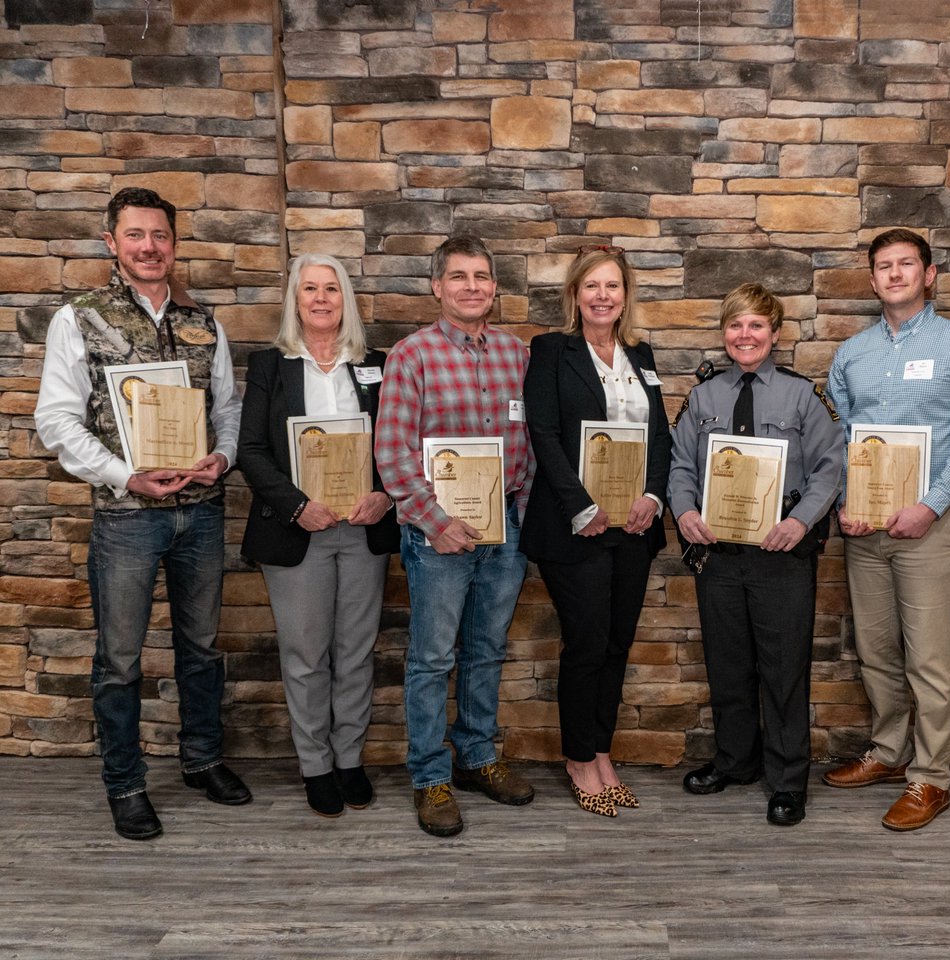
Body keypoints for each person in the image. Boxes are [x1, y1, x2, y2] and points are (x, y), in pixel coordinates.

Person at [34, 187, 250, 841]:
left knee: (202, 650)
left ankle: (202, 759)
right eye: (135, 236)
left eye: (159, 235)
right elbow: (56, 419)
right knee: (120, 659)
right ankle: (125, 785)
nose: (149, 247)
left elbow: (228, 409)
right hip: (127, 516)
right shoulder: (79, 318)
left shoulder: (201, 323)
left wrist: (222, 456)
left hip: (202, 511)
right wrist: (124, 475)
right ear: (112, 243)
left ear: (173, 244)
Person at [824, 228, 950, 832]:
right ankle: (889, 752)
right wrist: (843, 502)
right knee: (875, 651)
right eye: (884, 267)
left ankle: (931, 777)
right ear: (872, 280)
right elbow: (840, 443)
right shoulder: (851, 354)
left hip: (930, 526)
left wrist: (929, 505)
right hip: (864, 527)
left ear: (929, 274)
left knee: (928, 656)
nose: (895, 275)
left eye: (906, 264)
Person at [375, 235, 535, 837]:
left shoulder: (517, 355)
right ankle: (429, 776)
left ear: (495, 288)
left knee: (487, 650)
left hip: (506, 531)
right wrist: (435, 523)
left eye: (483, 276)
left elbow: (532, 444)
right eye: (459, 276)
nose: (473, 286)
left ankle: (477, 758)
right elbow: (391, 452)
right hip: (435, 537)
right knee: (432, 657)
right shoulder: (411, 356)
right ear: (437, 286)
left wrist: (522, 512)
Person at [668, 283, 843, 827]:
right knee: (728, 664)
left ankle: (788, 780)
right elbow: (681, 467)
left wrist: (799, 521)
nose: (745, 335)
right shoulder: (704, 397)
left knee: (783, 668)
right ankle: (735, 762)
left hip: (780, 553)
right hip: (717, 552)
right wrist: (684, 511)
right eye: (735, 325)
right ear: (725, 333)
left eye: (756, 326)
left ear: (775, 333)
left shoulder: (799, 396)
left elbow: (830, 467)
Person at [238, 254, 399, 818]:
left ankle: (349, 758)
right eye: (311, 289)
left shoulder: (375, 365)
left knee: (355, 653)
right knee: (306, 655)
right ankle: (315, 765)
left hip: (362, 529)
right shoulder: (270, 366)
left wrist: (386, 493)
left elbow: (397, 442)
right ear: (296, 299)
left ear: (346, 299)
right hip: (298, 532)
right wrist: (296, 505)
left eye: (332, 288)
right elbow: (250, 452)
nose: (322, 298)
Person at [521, 246, 672, 817]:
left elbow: (660, 433)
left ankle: (602, 750)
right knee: (585, 644)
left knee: (616, 644)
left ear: (626, 295)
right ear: (575, 296)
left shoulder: (641, 354)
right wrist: (579, 506)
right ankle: (579, 758)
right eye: (592, 287)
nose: (603, 296)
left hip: (633, 525)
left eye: (612, 286)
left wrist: (655, 496)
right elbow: (543, 432)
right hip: (575, 527)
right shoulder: (551, 351)